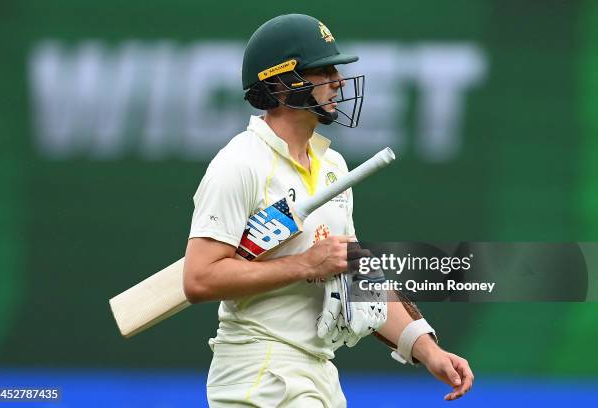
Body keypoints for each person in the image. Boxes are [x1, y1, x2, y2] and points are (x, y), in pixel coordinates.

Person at [183, 14, 474, 407]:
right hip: (260, 371)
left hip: (319, 372)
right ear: (281, 83)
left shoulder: (333, 166)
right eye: (323, 70)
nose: (338, 80)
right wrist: (306, 265)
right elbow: (199, 279)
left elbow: (355, 275)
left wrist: (426, 348)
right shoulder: (239, 164)